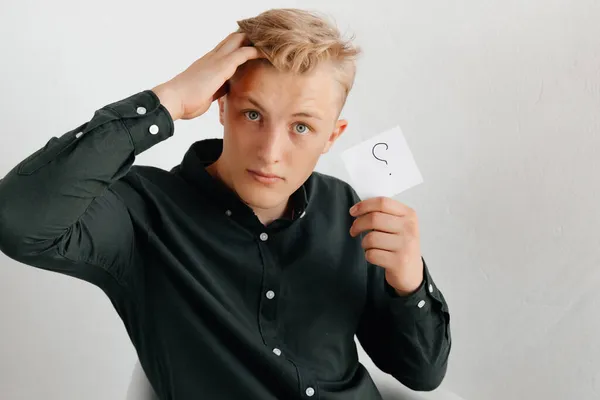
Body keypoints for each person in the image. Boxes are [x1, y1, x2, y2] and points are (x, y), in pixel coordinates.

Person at [0, 8, 451, 400]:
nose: (270, 151)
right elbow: (17, 220)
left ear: (332, 136)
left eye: (301, 128)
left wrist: (408, 284)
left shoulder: (346, 209)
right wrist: (168, 101)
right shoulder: (142, 213)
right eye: (252, 114)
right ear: (221, 106)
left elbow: (422, 373)